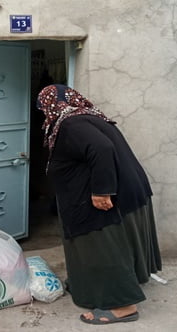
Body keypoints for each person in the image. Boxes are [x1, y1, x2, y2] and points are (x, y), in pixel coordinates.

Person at [36, 84, 162, 325]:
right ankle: (89, 286)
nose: (44, 113)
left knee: (102, 247)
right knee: (91, 247)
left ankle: (123, 306)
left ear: (53, 103)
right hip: (123, 190)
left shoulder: (71, 123)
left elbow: (101, 148)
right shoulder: (87, 116)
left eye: (44, 107)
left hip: (102, 198)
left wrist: (101, 191)